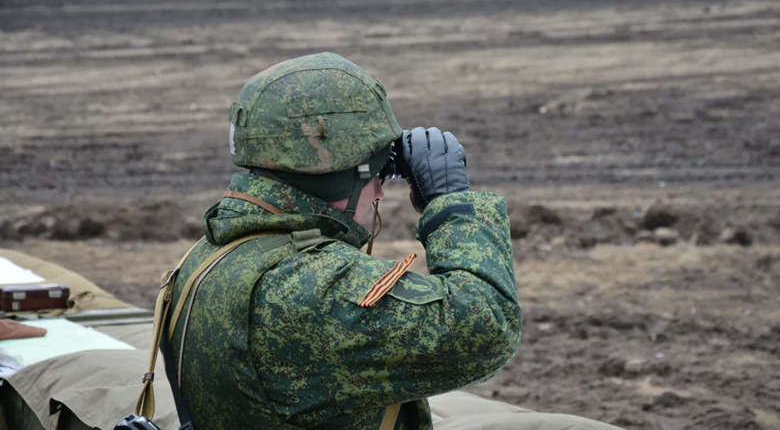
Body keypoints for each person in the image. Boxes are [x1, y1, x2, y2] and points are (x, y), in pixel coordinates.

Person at [160, 53, 622, 430]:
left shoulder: (210, 255)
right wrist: (451, 205)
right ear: (338, 179)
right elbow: (486, 326)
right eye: (377, 174)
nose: (381, 191)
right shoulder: (306, 289)